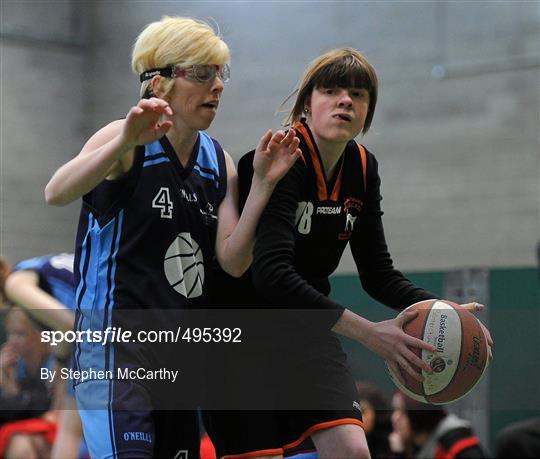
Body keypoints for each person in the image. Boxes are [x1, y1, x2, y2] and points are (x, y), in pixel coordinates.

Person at [206, 48, 492, 459]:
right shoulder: (279, 159)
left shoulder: (362, 166)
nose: (345, 100)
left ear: (368, 111)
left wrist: (447, 311)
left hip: (304, 331)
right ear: (307, 103)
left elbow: (378, 273)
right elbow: (271, 275)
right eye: (331, 90)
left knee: (352, 450)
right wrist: (372, 334)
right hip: (241, 335)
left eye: (358, 95)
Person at [44, 15, 300, 459]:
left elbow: (233, 261)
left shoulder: (217, 161)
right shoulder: (125, 139)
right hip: (114, 355)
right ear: (158, 83)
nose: (217, 85)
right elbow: (56, 191)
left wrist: (261, 186)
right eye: (202, 74)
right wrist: (124, 139)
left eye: (220, 74)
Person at [0, 253, 87, 459]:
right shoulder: (32, 267)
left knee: (68, 433)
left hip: (102, 335)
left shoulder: (15, 285)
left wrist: (59, 361)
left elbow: (68, 324)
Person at [390, 391, 486, 459]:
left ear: (419, 415)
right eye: (395, 410)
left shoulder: (459, 447)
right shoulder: (417, 446)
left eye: (402, 412)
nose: (395, 418)